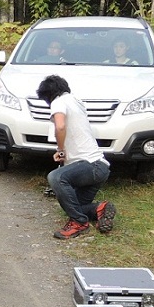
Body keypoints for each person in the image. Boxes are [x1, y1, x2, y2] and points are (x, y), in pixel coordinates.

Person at [36, 74, 116, 240]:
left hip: (90, 166)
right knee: (74, 206)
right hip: (100, 167)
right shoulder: (76, 102)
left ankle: (79, 223)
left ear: (49, 96)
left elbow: (60, 125)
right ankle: (100, 209)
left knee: (55, 177)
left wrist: (60, 150)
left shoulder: (58, 101)